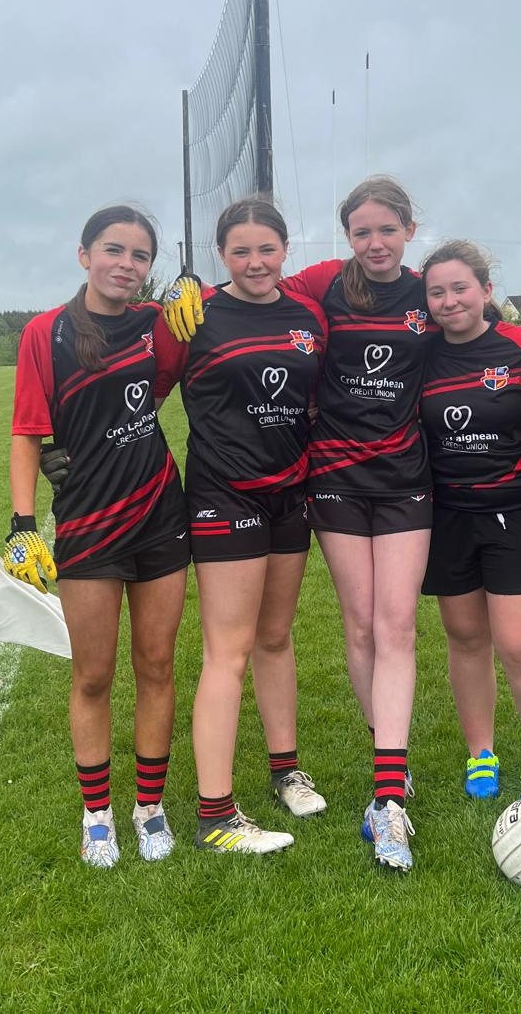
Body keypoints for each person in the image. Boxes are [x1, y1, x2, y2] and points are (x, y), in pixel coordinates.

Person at [5, 204, 189, 868]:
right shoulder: (44, 332)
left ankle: (149, 806)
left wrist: (193, 290)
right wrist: (24, 525)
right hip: (86, 523)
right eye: (114, 249)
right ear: (84, 254)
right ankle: (97, 815)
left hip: (161, 514)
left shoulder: (154, 324)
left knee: (157, 665)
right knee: (92, 674)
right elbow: (29, 431)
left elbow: (169, 380)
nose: (127, 264)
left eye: (141, 256)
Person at [153, 198, 330, 854]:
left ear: (285, 249)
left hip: (291, 496)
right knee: (227, 651)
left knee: (276, 637)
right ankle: (215, 815)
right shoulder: (193, 317)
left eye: (266, 248)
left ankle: (286, 770)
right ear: (219, 257)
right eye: (239, 251)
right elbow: (142, 388)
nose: (255, 262)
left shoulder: (308, 312)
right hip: (223, 497)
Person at [273, 176, 438, 872]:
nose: (374, 242)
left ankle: (385, 794)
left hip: (405, 480)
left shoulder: (427, 291)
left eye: (386, 230)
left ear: (408, 230)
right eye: (361, 231)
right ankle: (387, 751)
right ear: (347, 237)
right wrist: (185, 295)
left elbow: (481, 322)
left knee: (398, 623)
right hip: (335, 478)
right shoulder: (322, 282)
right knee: (362, 622)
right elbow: (253, 290)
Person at [419, 240, 521, 804]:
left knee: (520, 644)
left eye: (460, 288)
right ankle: (481, 752)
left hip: (517, 511)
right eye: (437, 291)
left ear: (486, 290)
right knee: (464, 637)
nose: (449, 300)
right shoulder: (423, 354)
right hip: (448, 514)